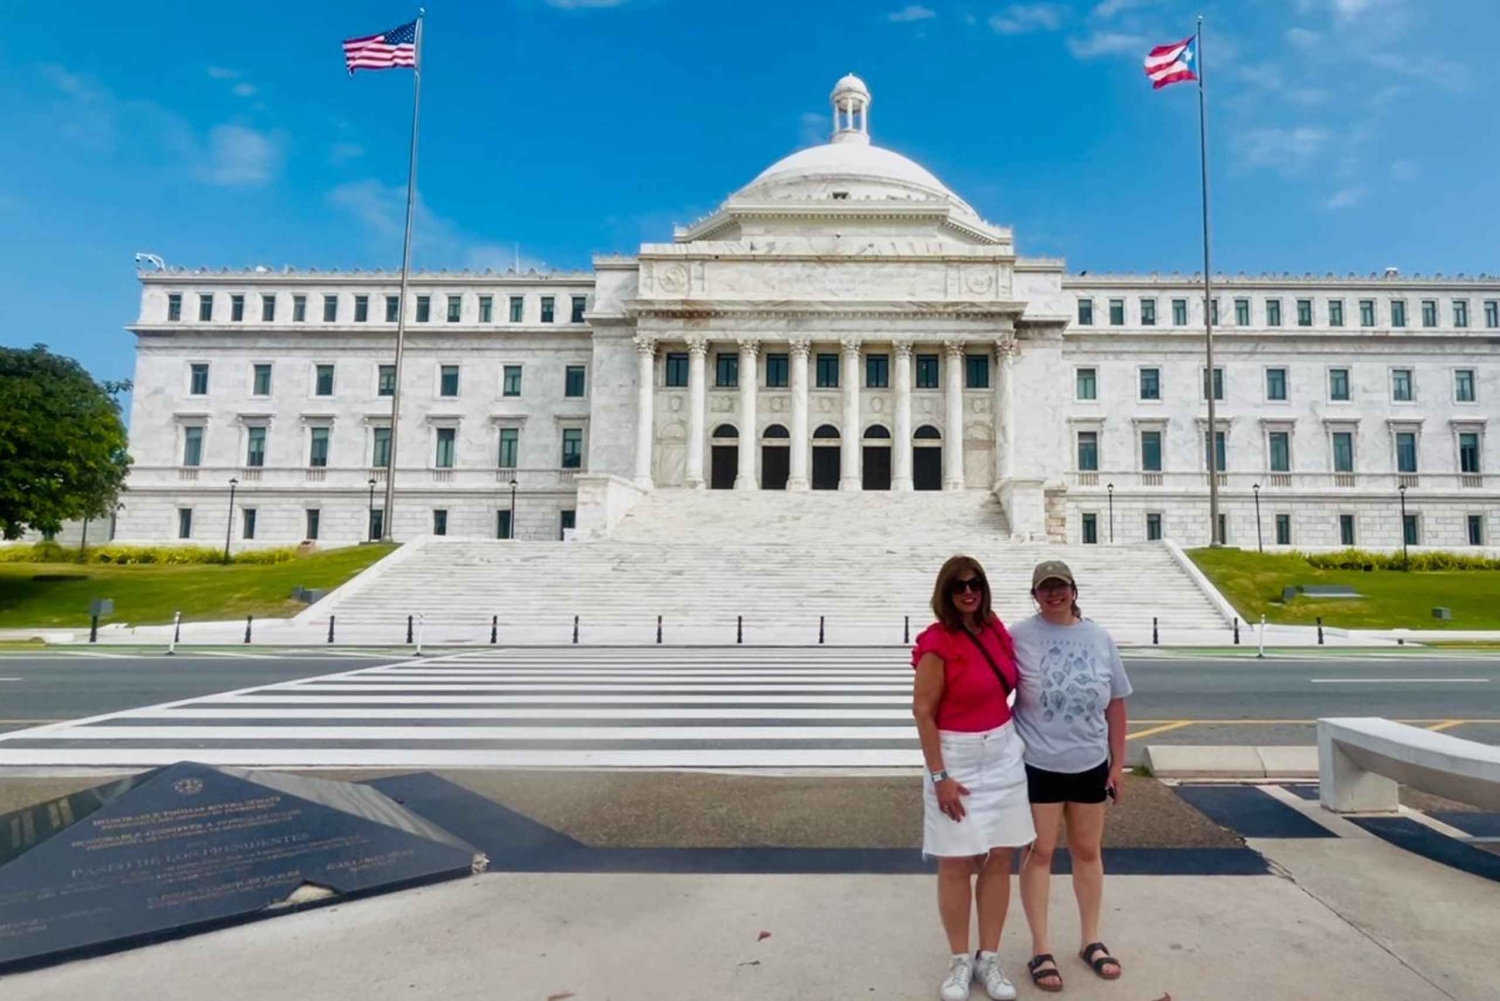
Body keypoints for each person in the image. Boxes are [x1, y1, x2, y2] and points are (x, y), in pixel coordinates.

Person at [912, 555, 1034, 1001]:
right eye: (959, 586)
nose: (968, 592)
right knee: (955, 860)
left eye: (975, 583)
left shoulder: (995, 629)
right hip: (956, 757)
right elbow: (923, 711)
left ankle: (990, 957)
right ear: (945, 593)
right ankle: (960, 960)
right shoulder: (936, 642)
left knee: (1000, 856)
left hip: (1002, 752)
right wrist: (940, 776)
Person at [1010, 560, 1131, 992]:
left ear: (1074, 590)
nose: (1053, 594)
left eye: (1060, 587)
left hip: (1089, 760)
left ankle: (1090, 939)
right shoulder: (1018, 636)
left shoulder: (1098, 637)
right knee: (1039, 852)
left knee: (1087, 850)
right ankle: (1040, 947)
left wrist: (1117, 764)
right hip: (1038, 760)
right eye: (1045, 588)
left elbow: (1116, 703)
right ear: (1034, 595)